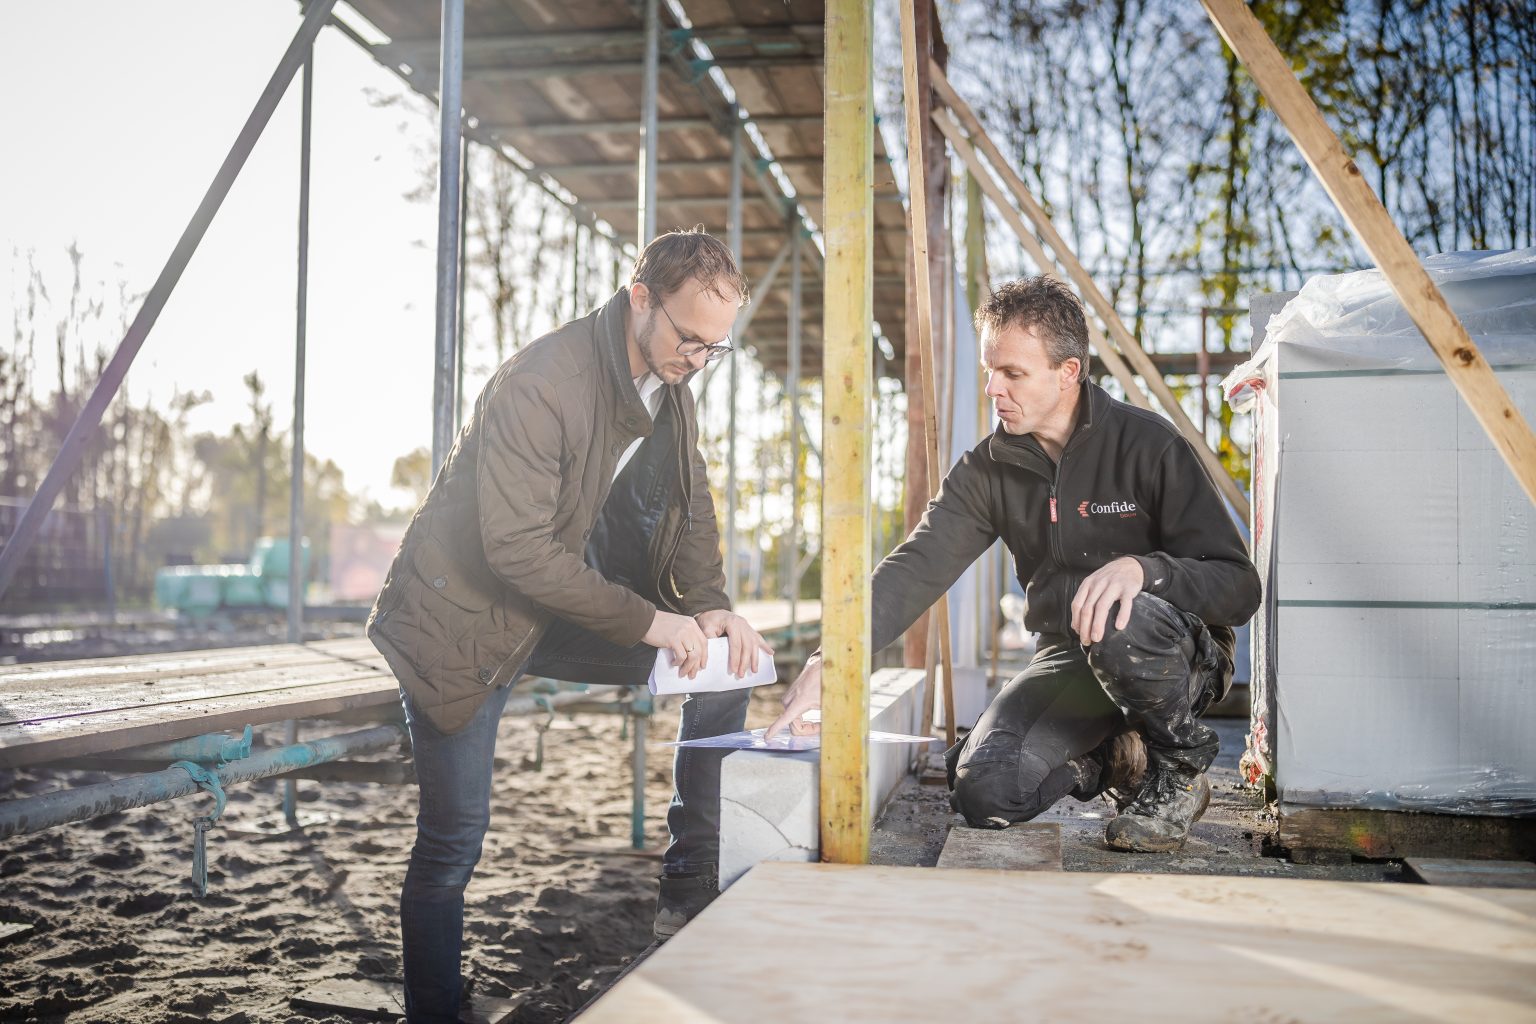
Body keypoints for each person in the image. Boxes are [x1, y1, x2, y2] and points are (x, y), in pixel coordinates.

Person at [367, 228, 772, 1023]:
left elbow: (692, 508)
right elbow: (514, 550)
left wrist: (710, 605)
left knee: (724, 667)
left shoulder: (670, 386)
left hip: (546, 612)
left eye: (714, 349)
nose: (696, 359)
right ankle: (435, 1014)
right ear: (640, 298)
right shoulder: (542, 380)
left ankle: (687, 890)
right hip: (461, 615)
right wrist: (652, 621)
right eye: (689, 339)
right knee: (454, 841)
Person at [767, 276, 1260, 853]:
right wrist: (836, 657)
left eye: (1013, 374)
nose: (992, 388)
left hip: (1174, 658)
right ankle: (1116, 759)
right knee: (984, 793)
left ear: (1068, 372)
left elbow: (1239, 586)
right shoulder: (988, 470)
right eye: (989, 369)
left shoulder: (1148, 446)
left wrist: (1144, 571)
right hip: (1068, 658)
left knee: (1120, 618)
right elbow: (916, 566)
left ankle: (1177, 769)